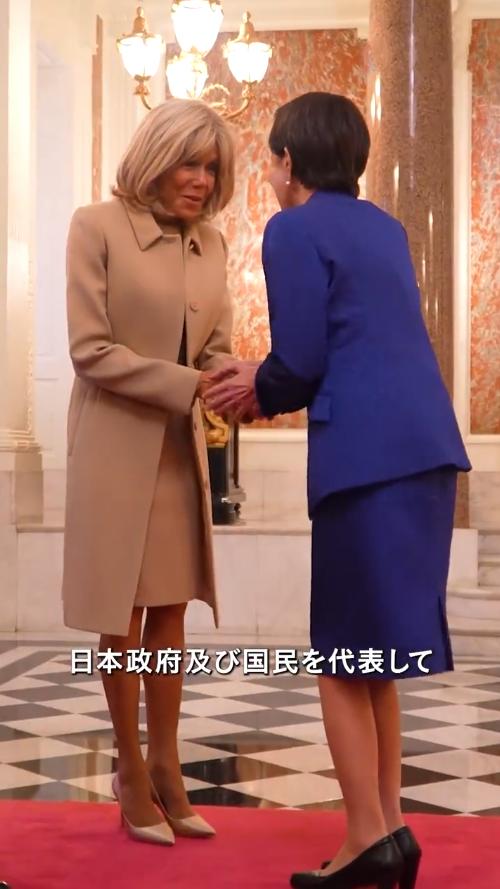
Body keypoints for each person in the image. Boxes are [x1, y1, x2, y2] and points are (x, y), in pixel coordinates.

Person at [205, 92, 471, 889]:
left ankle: (366, 838)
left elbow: (303, 359)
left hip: (364, 457)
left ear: (287, 161)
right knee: (375, 654)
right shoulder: (384, 227)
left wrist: (256, 383)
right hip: (425, 453)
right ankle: (389, 828)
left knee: (342, 658)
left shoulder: (293, 228)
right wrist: (270, 378)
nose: (270, 174)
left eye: (270, 161)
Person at [62, 98, 235, 844]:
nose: (201, 180)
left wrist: (235, 379)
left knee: (169, 609)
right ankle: (129, 767)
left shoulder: (213, 243)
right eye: (189, 162)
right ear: (154, 158)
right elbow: (89, 350)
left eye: (212, 168)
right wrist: (190, 384)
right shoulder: (95, 226)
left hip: (176, 447)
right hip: (112, 442)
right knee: (123, 612)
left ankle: (168, 764)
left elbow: (216, 345)